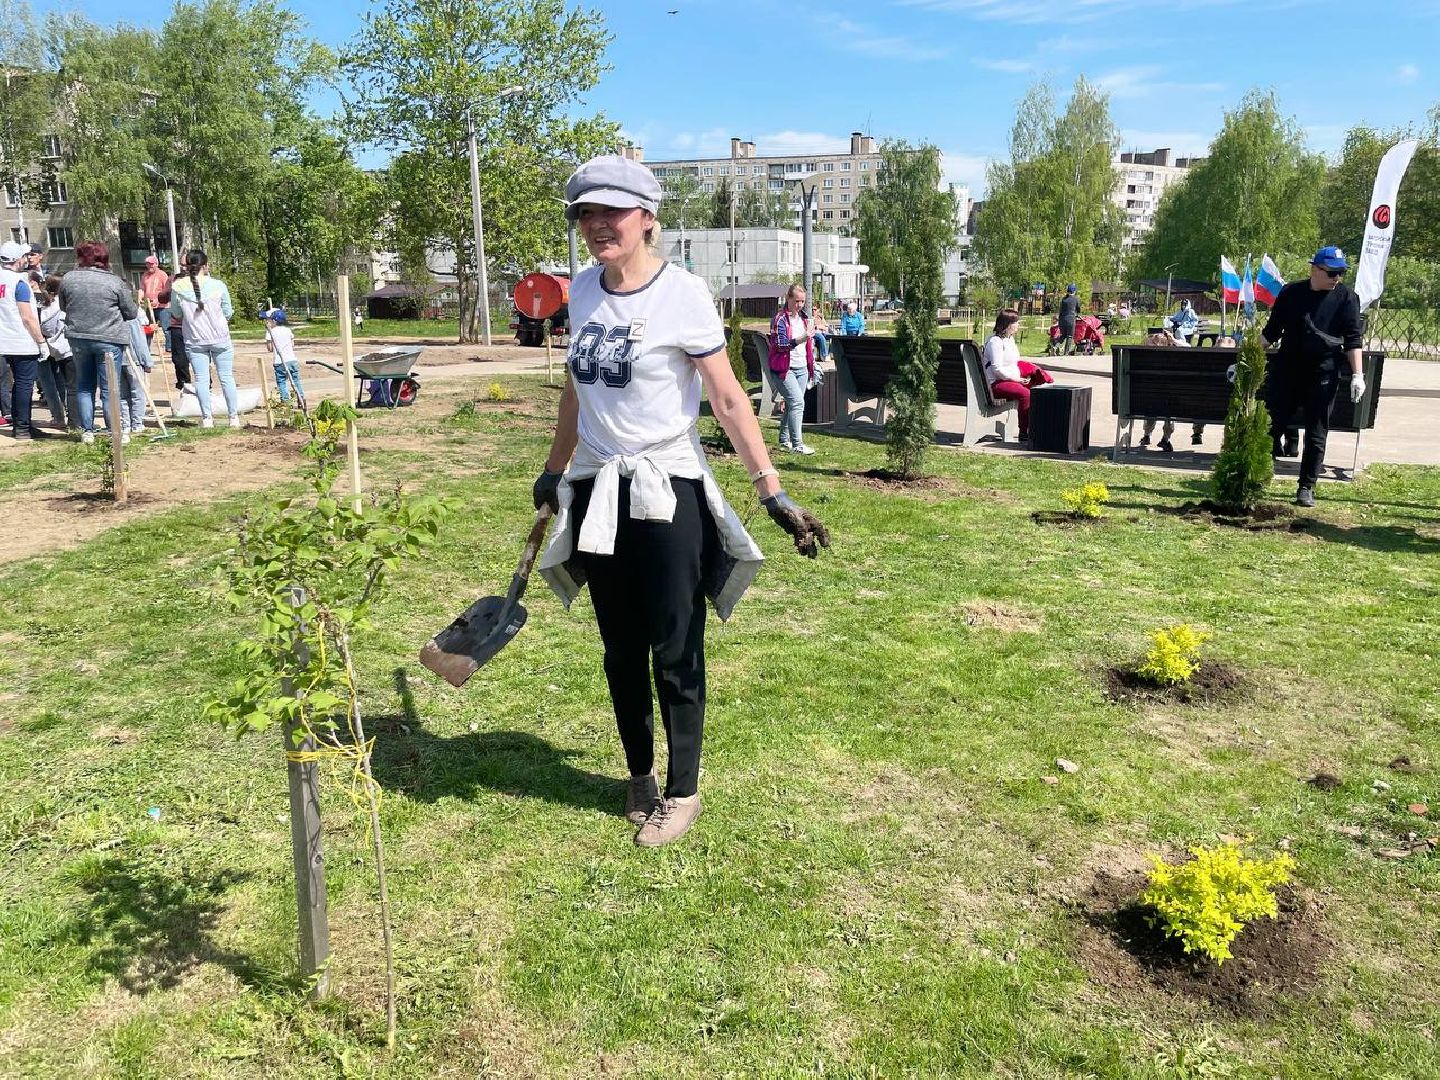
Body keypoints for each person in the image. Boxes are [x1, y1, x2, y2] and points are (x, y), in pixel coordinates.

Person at [533, 154, 829, 849]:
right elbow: (577, 388)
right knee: (618, 649)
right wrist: (555, 468)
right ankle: (639, 774)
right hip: (601, 489)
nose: (599, 225)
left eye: (613, 212)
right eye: (587, 214)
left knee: (676, 647)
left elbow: (727, 398)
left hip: (669, 492)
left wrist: (772, 490)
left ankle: (683, 790)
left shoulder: (684, 294)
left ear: (646, 218)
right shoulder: (581, 292)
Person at [1262, 245, 1365, 508]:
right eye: (1331, 273)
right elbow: (1271, 332)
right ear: (1314, 269)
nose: (1336, 279)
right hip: (1288, 369)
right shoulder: (1291, 293)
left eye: (1340, 273)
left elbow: (1353, 340)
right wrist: (1245, 358)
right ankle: (1260, 475)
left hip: (1324, 371)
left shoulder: (1346, 298)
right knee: (1271, 425)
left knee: (1316, 432)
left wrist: (1358, 375)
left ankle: (1306, 486)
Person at [58, 240, 138, 444]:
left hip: (79, 337)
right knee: (110, 386)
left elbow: (64, 306)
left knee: (84, 385)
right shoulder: (114, 281)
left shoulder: (68, 279)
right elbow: (131, 312)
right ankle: (115, 431)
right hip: (109, 338)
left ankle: (87, 431)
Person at [169, 249, 239, 429]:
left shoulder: (178, 287)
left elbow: (176, 313)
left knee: (200, 379)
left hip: (194, 338)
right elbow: (228, 312)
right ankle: (233, 417)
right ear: (205, 266)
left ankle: (207, 418)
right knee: (226, 377)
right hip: (220, 337)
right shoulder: (218, 285)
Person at [0, 241, 49, 440]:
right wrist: (41, 342)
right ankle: (22, 427)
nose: (26, 259)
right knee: (23, 385)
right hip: (21, 341)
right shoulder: (18, 282)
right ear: (17, 260)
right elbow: (27, 317)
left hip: (2, 341)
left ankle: (20, 423)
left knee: (11, 384)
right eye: (24, 256)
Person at [982, 308, 1053, 441]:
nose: (1018, 325)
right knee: (1024, 394)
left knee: (1038, 390)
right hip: (995, 384)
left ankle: (1037, 428)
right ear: (1008, 324)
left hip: (1009, 380)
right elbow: (997, 369)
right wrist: (1017, 379)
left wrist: (1025, 375)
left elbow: (1013, 362)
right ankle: (1024, 432)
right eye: (1016, 322)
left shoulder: (1010, 340)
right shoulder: (995, 342)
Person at [768, 284, 818, 455]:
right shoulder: (780, 319)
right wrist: (801, 339)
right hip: (784, 368)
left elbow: (809, 345)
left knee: (792, 403)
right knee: (797, 403)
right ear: (788, 298)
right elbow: (780, 345)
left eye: (802, 301)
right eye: (796, 301)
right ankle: (797, 444)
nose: (799, 305)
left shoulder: (804, 318)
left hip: (802, 367)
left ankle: (784, 439)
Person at [263, 308, 306, 408]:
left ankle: (286, 401)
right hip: (292, 359)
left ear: (274, 321)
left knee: (282, 381)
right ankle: (301, 399)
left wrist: (269, 337)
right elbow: (292, 344)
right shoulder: (288, 330)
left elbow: (269, 348)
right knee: (296, 380)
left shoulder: (270, 332)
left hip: (279, 361)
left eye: (270, 320)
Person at [139, 255, 169, 357]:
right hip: (150, 306)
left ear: (156, 264)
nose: (149, 266)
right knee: (147, 328)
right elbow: (142, 288)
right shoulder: (145, 275)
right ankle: (146, 349)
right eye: (148, 264)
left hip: (163, 306)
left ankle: (169, 349)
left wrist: (158, 299)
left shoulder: (162, 275)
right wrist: (140, 298)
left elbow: (167, 290)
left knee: (166, 328)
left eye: (151, 264)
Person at [1057, 283, 1080, 355]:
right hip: (1071, 320)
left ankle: (1055, 346)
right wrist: (1077, 313)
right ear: (1074, 291)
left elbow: (1061, 310)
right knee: (1069, 336)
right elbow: (1078, 309)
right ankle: (1066, 352)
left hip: (1062, 320)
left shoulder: (1064, 299)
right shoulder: (1076, 299)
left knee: (1063, 335)